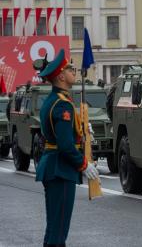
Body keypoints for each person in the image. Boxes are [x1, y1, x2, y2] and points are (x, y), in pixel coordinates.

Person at [35, 49, 99, 247]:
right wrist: (83, 164)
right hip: (60, 170)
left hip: (54, 167)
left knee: (54, 227)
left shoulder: (56, 101)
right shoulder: (62, 105)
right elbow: (64, 145)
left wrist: (79, 129)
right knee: (58, 230)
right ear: (61, 76)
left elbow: (62, 135)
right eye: (70, 69)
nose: (74, 71)